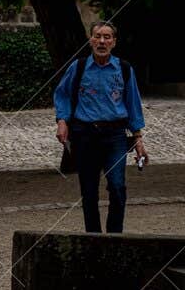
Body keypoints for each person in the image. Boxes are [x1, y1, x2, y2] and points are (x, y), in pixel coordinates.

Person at [54, 20, 147, 234]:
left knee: (117, 186)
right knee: (89, 191)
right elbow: (62, 94)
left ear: (114, 42)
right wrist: (62, 121)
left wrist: (138, 138)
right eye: (97, 36)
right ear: (90, 40)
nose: (102, 41)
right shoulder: (78, 67)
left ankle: (114, 237)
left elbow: (133, 103)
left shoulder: (123, 69)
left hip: (115, 136)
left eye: (107, 37)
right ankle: (93, 238)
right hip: (84, 135)